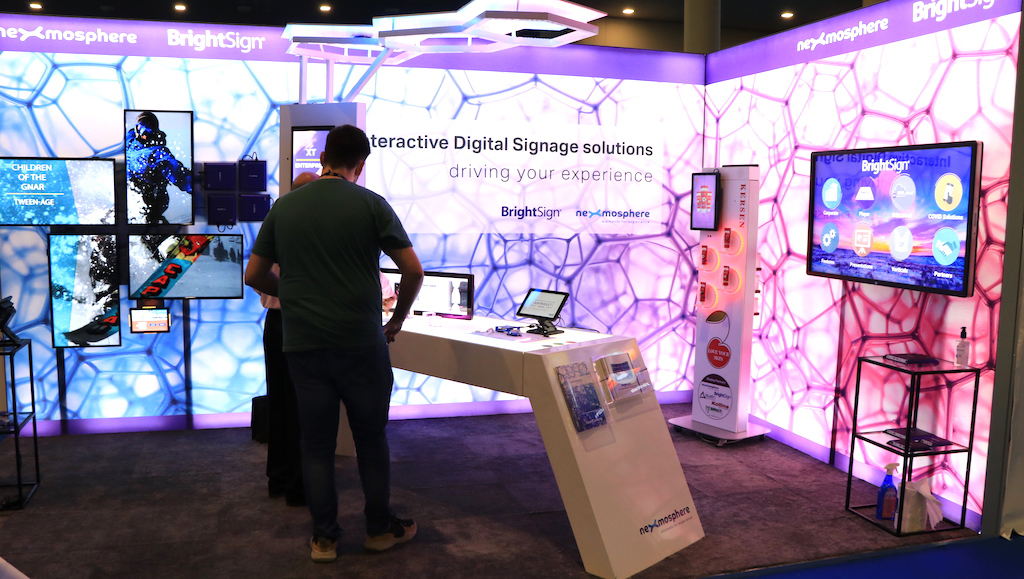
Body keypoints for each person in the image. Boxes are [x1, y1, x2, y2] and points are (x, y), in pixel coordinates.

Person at [245, 125, 424, 564]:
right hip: (361, 344)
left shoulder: (285, 208)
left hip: (304, 345)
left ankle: (324, 539)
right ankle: (378, 530)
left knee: (316, 445)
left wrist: (294, 298)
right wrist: (397, 320)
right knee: (371, 440)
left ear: (323, 157)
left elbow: (254, 275)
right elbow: (413, 270)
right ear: (360, 164)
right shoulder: (371, 204)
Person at [259, 171, 320, 507]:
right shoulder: (317, 228)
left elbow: (256, 276)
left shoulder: (276, 222)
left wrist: (281, 293)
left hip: (276, 323)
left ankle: (279, 478)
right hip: (304, 321)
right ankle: (299, 486)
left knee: (280, 400)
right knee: (305, 406)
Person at [125, 111, 192, 224]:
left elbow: (180, 176)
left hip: (137, 201)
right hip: (137, 200)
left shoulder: (154, 152)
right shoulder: (157, 153)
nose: (144, 132)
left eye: (147, 127)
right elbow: (181, 177)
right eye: (140, 126)